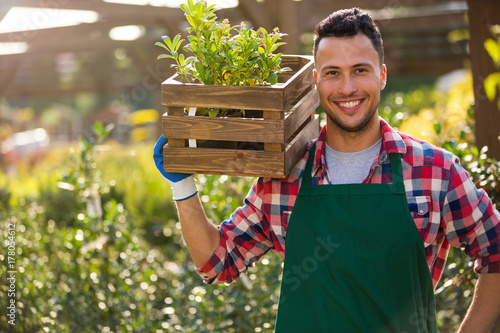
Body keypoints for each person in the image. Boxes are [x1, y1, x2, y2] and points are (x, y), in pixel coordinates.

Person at [154, 7, 500, 332]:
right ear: (316, 81)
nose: (347, 88)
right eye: (333, 73)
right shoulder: (285, 178)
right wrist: (183, 185)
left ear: (381, 75)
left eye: (360, 70)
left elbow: (495, 250)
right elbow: (219, 261)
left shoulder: (433, 171)